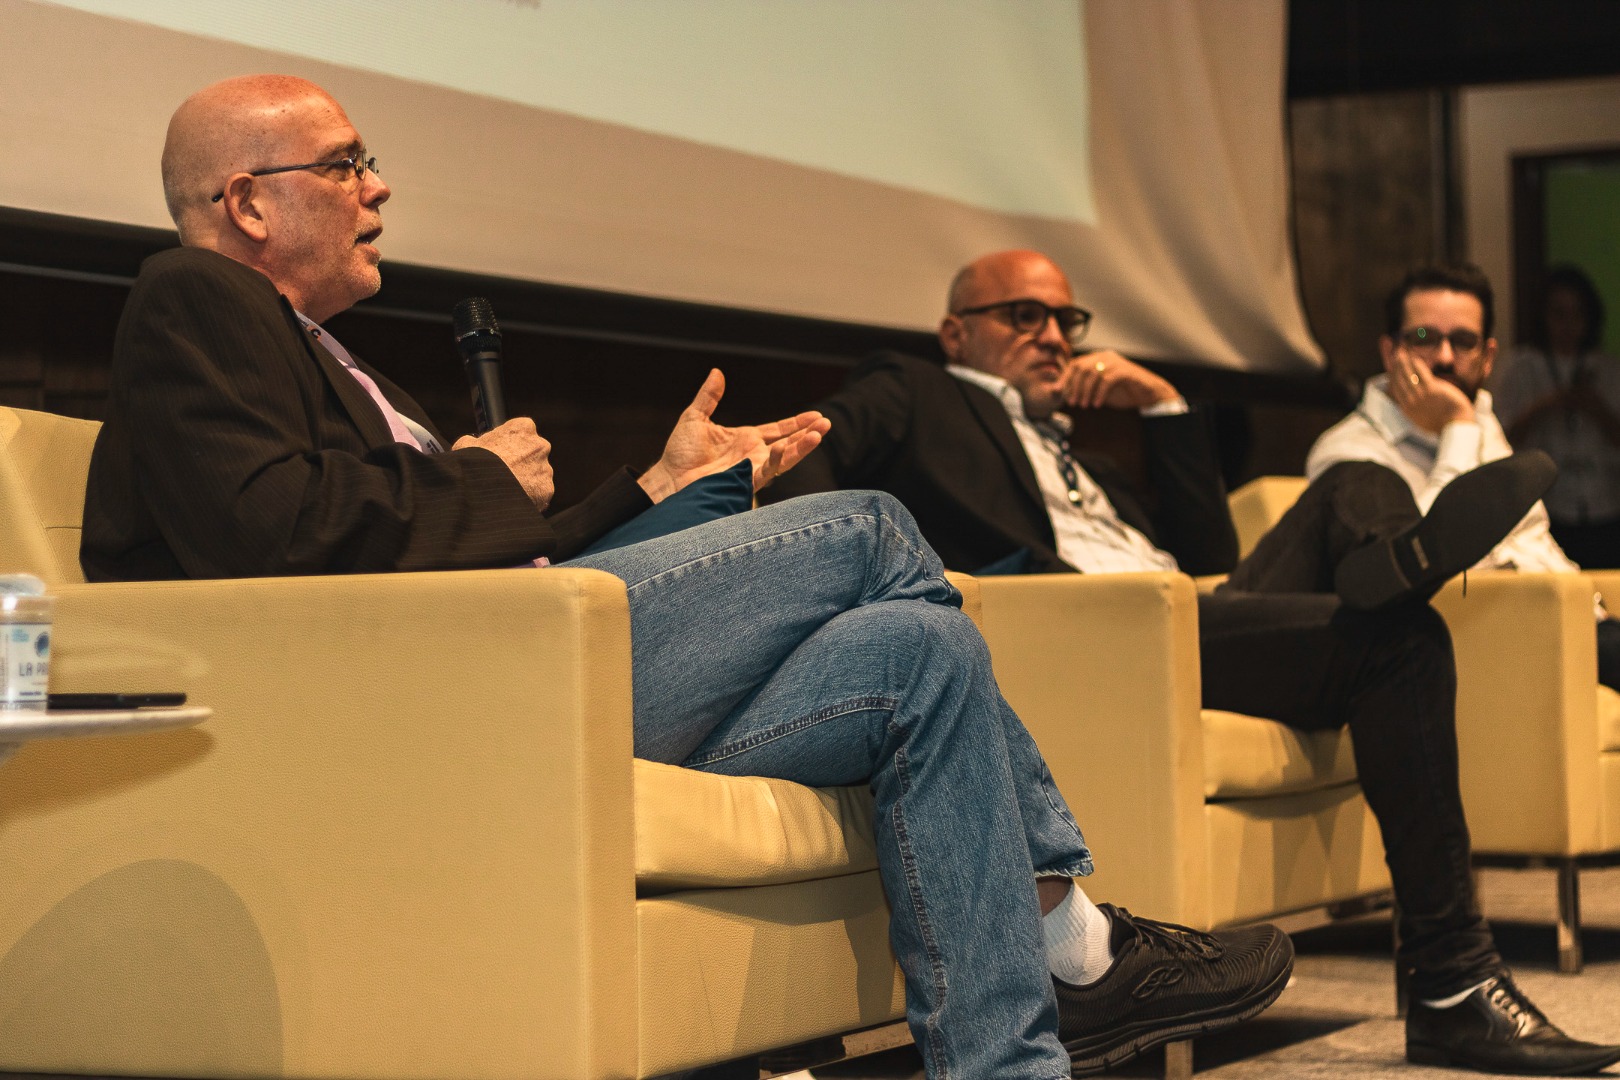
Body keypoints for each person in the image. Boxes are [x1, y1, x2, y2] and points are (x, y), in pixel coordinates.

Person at [80, 76, 1296, 1079]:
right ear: (247, 202)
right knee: (871, 525)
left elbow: (505, 556)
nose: (379, 186)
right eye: (347, 164)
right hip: (450, 707)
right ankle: (1074, 942)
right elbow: (273, 530)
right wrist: (484, 478)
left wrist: (661, 488)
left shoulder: (345, 364)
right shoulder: (195, 297)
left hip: (537, 661)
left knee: (926, 652)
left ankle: (1007, 1065)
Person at [766, 248, 1620, 1074]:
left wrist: (1165, 403)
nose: (1054, 336)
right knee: (1403, 640)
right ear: (957, 334)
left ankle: (1396, 560)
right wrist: (883, 593)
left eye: (1066, 320)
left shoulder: (1086, 458)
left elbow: (1209, 554)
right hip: (1100, 637)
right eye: (1024, 316)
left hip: (1187, 616)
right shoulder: (918, 390)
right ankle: (1453, 982)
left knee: (1355, 486)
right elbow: (814, 463)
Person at [1308, 263, 1620, 693]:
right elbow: (1413, 570)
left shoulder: (1483, 421)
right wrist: (1456, 427)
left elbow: (1534, 542)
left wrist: (1593, 612)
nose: (1444, 358)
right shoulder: (1348, 450)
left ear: (1487, 357)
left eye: (1463, 341)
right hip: (1478, 643)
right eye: (1423, 337)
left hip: (1574, 625)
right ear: (1390, 352)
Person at [1494, 265, 1620, 569]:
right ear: (1543, 316)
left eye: (1577, 314)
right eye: (1558, 313)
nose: (1568, 325)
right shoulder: (1521, 368)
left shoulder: (1608, 369)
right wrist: (1544, 407)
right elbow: (1499, 443)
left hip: (1603, 504)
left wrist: (1596, 408)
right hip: (1546, 506)